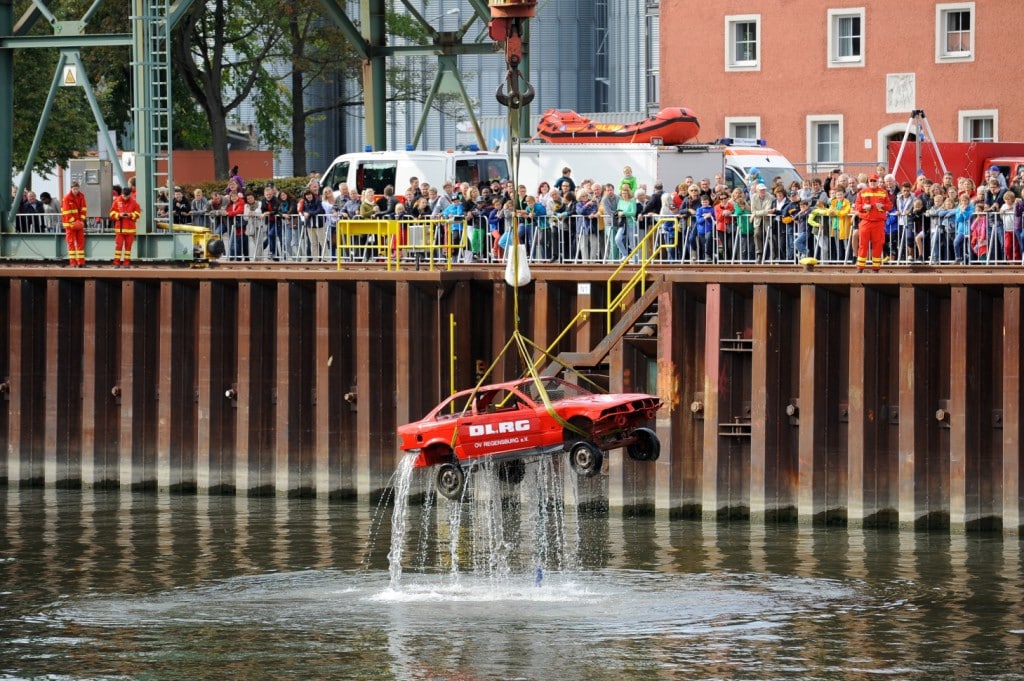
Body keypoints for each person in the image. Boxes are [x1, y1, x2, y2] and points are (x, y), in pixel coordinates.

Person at [853, 174, 893, 272]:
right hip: (865, 221)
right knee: (863, 244)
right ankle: (860, 267)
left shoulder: (883, 192)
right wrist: (863, 207)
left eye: (874, 181)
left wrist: (883, 206)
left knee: (878, 245)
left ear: (877, 181)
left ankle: (876, 268)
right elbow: (857, 206)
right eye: (871, 181)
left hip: (878, 223)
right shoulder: (862, 192)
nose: (873, 183)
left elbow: (889, 206)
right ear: (868, 182)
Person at [109, 185, 141, 268]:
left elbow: (138, 214)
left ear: (129, 195)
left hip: (130, 229)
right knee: (118, 246)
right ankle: (116, 263)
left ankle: (126, 263)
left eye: (127, 196)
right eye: (124, 195)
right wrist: (119, 215)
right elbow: (111, 213)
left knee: (128, 247)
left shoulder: (134, 202)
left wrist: (130, 215)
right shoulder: (117, 201)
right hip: (120, 228)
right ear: (121, 194)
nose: (125, 197)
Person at [62, 180, 88, 267]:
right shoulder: (66, 198)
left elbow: (83, 210)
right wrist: (76, 221)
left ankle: (81, 262)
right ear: (71, 189)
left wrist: (81, 220)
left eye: (77, 189)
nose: (76, 190)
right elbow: (66, 213)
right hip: (70, 224)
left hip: (78, 223)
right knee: (71, 243)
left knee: (80, 243)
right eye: (74, 189)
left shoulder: (81, 196)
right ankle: (73, 263)